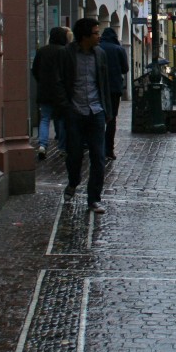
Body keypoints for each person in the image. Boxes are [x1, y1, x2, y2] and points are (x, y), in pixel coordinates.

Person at [59, 17, 112, 214]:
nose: (99, 36)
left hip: (96, 111)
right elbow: (61, 82)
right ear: (85, 36)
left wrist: (107, 110)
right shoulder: (67, 54)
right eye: (96, 33)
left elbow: (104, 83)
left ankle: (94, 199)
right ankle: (73, 182)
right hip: (75, 111)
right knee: (74, 155)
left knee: (98, 157)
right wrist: (66, 107)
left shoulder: (101, 54)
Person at [31, 26, 70, 159]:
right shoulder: (64, 51)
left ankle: (42, 145)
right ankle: (62, 148)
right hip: (60, 92)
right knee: (62, 120)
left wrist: (41, 81)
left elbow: (34, 69)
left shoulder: (42, 51)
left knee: (45, 119)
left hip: (44, 90)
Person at [96, 27, 129, 162]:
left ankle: (98, 148)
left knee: (98, 118)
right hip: (114, 88)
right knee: (111, 119)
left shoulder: (98, 48)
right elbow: (125, 68)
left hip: (99, 88)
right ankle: (109, 150)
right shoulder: (118, 49)